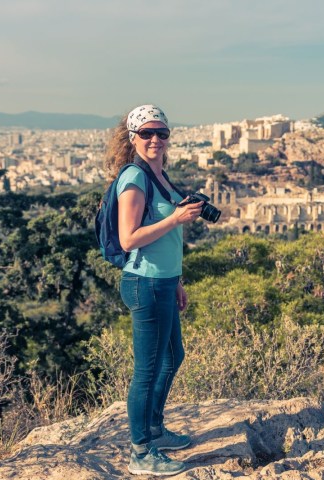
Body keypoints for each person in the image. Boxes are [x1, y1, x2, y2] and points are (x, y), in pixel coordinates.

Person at [104, 104, 202, 476]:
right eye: (147, 133)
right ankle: (141, 452)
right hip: (144, 283)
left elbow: (167, 236)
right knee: (146, 370)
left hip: (163, 282)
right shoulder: (134, 177)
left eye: (162, 133)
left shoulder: (160, 175)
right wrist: (176, 217)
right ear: (133, 138)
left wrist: (176, 279)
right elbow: (129, 239)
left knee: (172, 357)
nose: (156, 139)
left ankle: (155, 430)